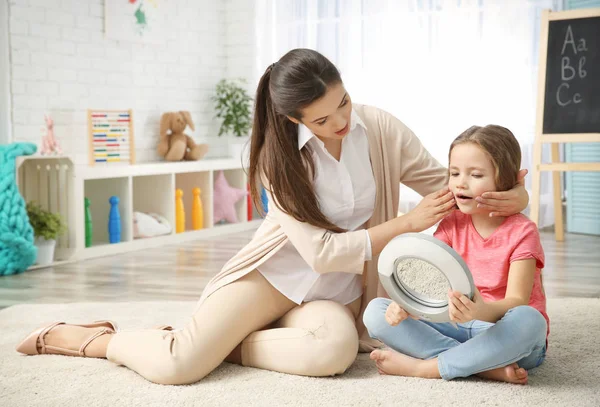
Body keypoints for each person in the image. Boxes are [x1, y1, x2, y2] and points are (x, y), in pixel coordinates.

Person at [15, 49, 530, 385]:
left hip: (337, 292)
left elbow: (451, 186)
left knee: (333, 351)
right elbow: (319, 252)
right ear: (294, 119)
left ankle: (221, 341)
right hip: (273, 278)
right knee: (177, 367)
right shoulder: (277, 160)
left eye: (344, 103)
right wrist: (405, 224)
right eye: (325, 119)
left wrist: (516, 200)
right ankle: (93, 338)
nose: (343, 122)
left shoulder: (379, 128)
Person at [363, 124, 548, 385]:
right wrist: (406, 307)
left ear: (507, 180)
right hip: (455, 326)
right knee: (376, 312)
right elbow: (428, 283)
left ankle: (426, 368)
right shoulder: (451, 222)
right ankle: (483, 366)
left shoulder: (522, 231)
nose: (461, 182)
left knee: (531, 320)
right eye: (454, 172)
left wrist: (480, 312)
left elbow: (517, 300)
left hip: (499, 329)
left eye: (475, 174)